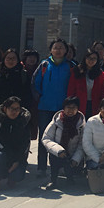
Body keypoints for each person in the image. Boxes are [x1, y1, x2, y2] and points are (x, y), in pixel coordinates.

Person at [32, 39, 72, 176]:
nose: (58, 50)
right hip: (45, 107)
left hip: (63, 108)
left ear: (66, 50)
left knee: (62, 138)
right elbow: (35, 83)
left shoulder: (70, 66)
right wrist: (40, 97)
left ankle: (59, 166)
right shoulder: (44, 65)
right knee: (44, 137)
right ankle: (41, 167)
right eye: (55, 47)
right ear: (51, 50)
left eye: (61, 48)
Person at [0, 96, 31, 191]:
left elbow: (25, 146)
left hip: (17, 158)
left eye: (17, 109)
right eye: (11, 109)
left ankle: (11, 178)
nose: (14, 112)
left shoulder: (24, 124)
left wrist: (16, 161)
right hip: (0, 154)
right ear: (5, 109)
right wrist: (11, 158)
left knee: (18, 175)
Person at [41, 96, 85, 188]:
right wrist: (58, 150)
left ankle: (70, 178)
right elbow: (46, 138)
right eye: (68, 107)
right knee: (54, 156)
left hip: (73, 155)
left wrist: (76, 159)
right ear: (64, 108)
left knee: (72, 166)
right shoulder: (56, 122)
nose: (70, 110)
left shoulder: (82, 124)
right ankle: (53, 180)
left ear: (77, 109)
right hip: (59, 153)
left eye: (73, 108)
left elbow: (82, 144)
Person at [67, 50, 104, 119]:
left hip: (94, 105)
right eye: (89, 58)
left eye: (94, 58)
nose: (91, 60)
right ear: (85, 58)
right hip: (78, 104)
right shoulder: (76, 71)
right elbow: (71, 89)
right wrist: (70, 104)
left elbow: (103, 92)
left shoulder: (100, 74)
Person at [0, 48, 32, 114]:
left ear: (17, 60)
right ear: (4, 60)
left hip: (18, 112)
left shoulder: (23, 75)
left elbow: (27, 94)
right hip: (1, 111)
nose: (11, 61)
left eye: (13, 58)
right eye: (8, 58)